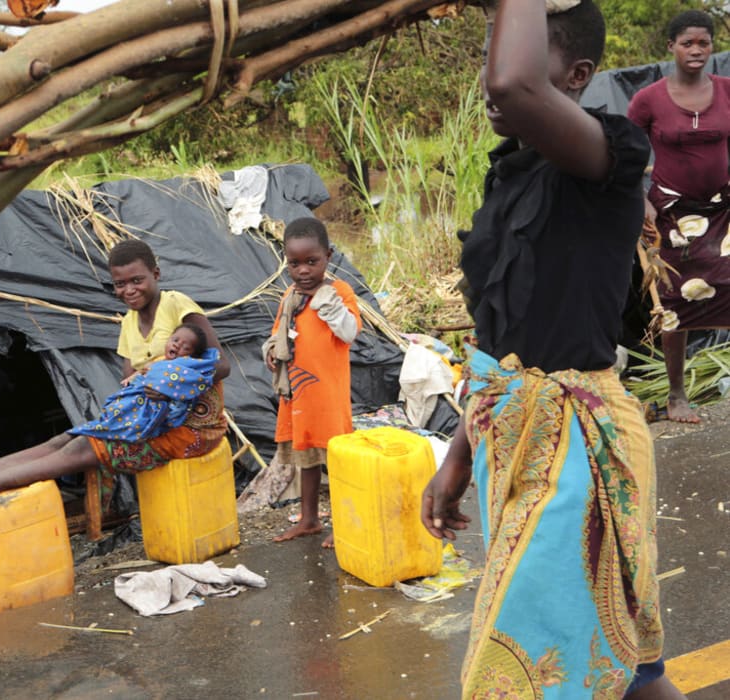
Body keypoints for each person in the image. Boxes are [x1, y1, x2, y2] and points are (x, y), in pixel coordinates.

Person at [421, 1, 681, 698]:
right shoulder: (510, 175)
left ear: (577, 75)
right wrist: (457, 452)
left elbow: (513, 87)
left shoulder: (611, 157)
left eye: (519, 55)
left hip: (578, 451)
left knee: (522, 675)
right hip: (513, 442)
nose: (489, 78)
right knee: (626, 671)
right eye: (487, 55)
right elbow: (498, 341)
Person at [0, 239, 230, 514]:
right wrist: (143, 386)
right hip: (151, 422)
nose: (129, 290)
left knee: (80, 450)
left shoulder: (176, 305)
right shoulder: (129, 323)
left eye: (137, 280)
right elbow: (131, 382)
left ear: (155, 275)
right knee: (63, 439)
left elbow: (221, 365)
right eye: (120, 284)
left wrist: (170, 381)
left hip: (192, 427)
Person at [627, 10, 730, 424]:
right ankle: (676, 397)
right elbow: (627, 155)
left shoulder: (726, 91)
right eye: (688, 42)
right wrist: (642, 202)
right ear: (671, 46)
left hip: (723, 208)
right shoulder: (648, 99)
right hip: (670, 213)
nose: (696, 50)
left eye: (703, 43)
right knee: (676, 303)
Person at [265, 217, 360, 546]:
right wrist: (270, 350)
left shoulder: (339, 292)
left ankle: (345, 520)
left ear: (328, 256)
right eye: (294, 263)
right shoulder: (289, 296)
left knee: (336, 461)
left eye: (311, 261)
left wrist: (328, 306)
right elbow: (278, 334)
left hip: (327, 398)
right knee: (306, 459)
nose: (303, 270)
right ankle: (309, 519)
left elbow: (349, 333)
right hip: (298, 395)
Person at [68, 323, 220, 442]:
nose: (177, 345)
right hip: (137, 394)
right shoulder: (159, 362)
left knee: (127, 417)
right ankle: (110, 421)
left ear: (191, 357)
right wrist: (131, 378)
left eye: (185, 347)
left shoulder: (181, 371)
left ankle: (114, 425)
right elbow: (142, 372)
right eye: (175, 340)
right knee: (117, 406)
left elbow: (180, 396)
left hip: (153, 406)